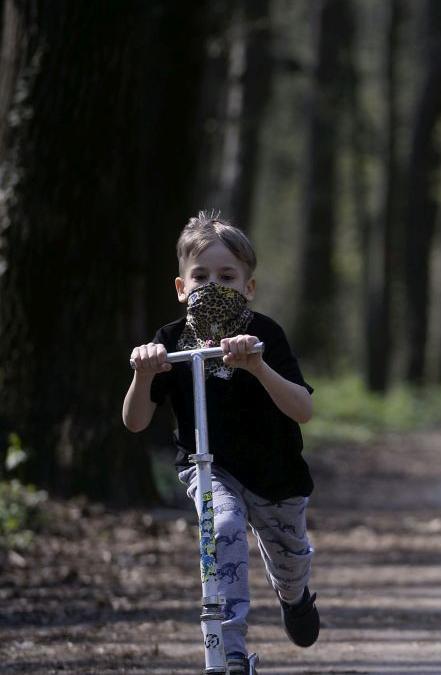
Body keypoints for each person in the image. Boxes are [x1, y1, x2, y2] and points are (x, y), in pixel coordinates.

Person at [122, 212, 320, 674]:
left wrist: (257, 366)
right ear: (180, 287)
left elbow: (303, 410)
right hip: (208, 467)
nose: (213, 285)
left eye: (227, 276)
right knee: (224, 525)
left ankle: (294, 598)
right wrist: (142, 373)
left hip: (276, 473)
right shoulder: (170, 341)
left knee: (291, 563)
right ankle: (228, 651)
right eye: (201, 276)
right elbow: (135, 422)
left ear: (248, 286)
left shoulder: (265, 334)